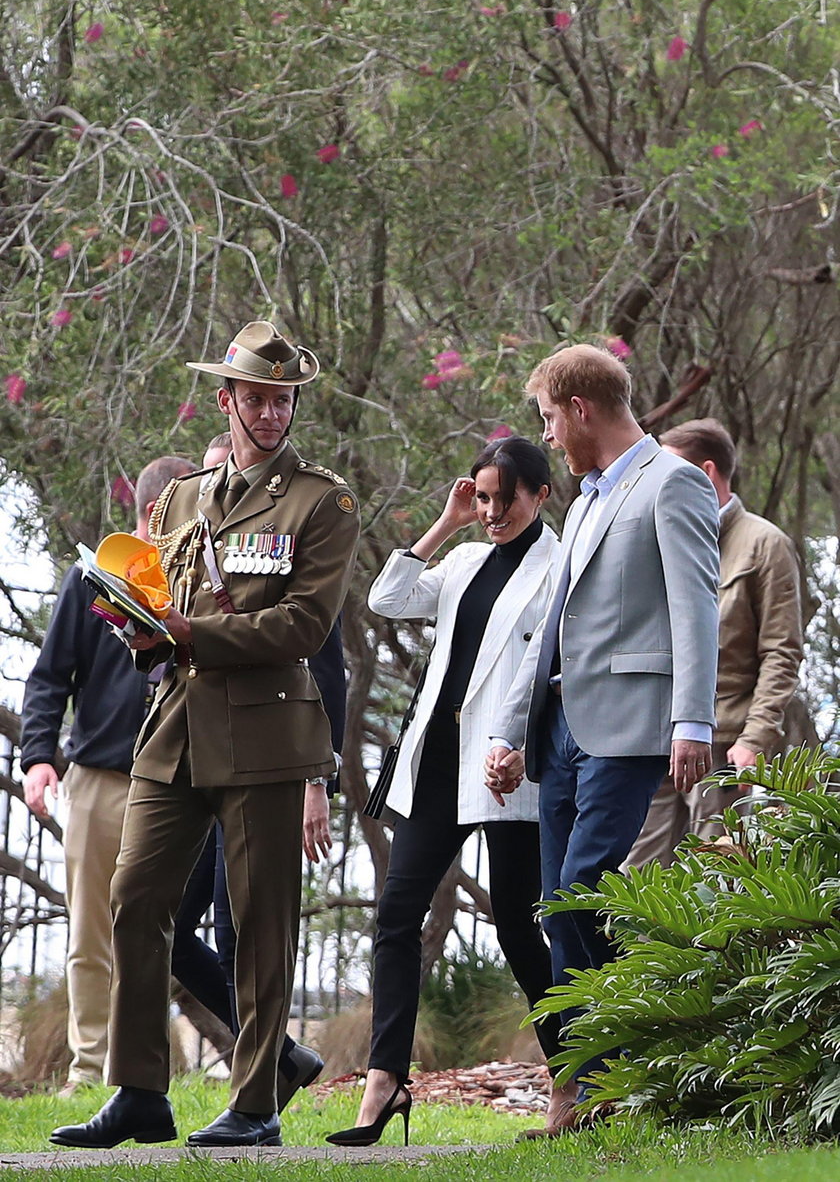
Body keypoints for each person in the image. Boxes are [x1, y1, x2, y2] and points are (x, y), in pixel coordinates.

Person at [51, 320, 360, 1150]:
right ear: (225, 400)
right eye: (255, 397)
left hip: (264, 736)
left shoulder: (321, 501)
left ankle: (254, 1098)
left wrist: (188, 633)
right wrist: (143, 630)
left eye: (282, 398)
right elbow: (164, 598)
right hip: (175, 728)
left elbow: (302, 625)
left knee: (259, 925)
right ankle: (140, 1091)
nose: (270, 412)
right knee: (134, 898)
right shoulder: (179, 497)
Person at [485, 344, 720, 1133]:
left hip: (631, 729)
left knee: (581, 888)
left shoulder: (675, 482)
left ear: (580, 409)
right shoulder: (584, 501)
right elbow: (550, 628)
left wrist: (693, 720)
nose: (547, 435)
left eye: (550, 418)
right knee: (556, 906)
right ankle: (576, 1091)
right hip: (560, 732)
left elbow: (695, 607)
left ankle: (632, 1060)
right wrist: (514, 731)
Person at [327, 436, 566, 1147]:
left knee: (522, 928)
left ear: (541, 494)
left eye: (504, 498)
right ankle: (385, 1078)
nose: (492, 511)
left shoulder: (560, 567)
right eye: (483, 497)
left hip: (505, 767)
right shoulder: (463, 558)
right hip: (437, 762)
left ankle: (575, 1075)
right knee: (396, 916)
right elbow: (388, 596)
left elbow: (555, 669)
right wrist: (447, 521)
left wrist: (520, 746)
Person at [170, 429, 344, 1106]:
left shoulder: (285, 553)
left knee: (238, 926)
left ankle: (258, 1082)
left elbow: (320, 675)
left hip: (268, 761)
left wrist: (315, 782)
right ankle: (282, 1053)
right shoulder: (189, 551)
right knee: (173, 927)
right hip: (199, 761)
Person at [20, 455, 195, 1096]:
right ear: (151, 515)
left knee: (156, 932)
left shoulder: (205, 584)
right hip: (98, 777)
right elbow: (48, 678)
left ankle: (143, 1073)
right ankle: (89, 1070)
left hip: (178, 781)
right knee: (90, 932)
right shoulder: (92, 580)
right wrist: (39, 756)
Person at [624, 418, 803, 867]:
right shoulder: (659, 537)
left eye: (671, 470)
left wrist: (754, 740)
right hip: (657, 741)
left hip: (725, 744)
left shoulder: (765, 544)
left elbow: (782, 653)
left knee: (717, 877)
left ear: (706, 473)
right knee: (635, 883)